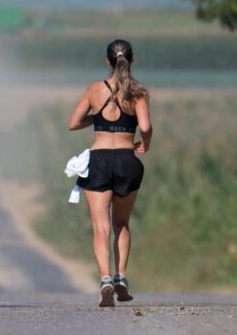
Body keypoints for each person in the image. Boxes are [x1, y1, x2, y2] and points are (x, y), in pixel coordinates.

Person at [67, 39, 152, 307]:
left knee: (100, 227)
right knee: (121, 224)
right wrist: (144, 144)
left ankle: (104, 278)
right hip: (127, 159)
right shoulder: (138, 93)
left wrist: (98, 117)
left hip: (99, 160)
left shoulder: (94, 90)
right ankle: (122, 277)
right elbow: (146, 127)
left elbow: (73, 123)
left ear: (107, 61)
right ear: (133, 59)